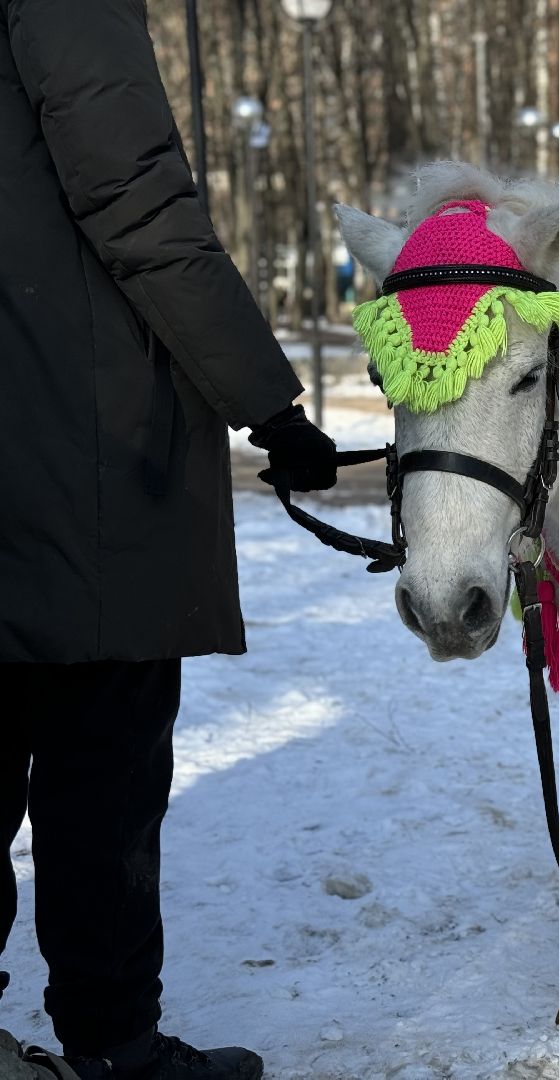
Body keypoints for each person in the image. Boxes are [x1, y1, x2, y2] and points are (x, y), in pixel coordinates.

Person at [1, 2, 338, 1077]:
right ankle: (116, 1049)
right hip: (72, 442)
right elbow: (133, 196)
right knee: (101, 764)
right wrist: (268, 405)